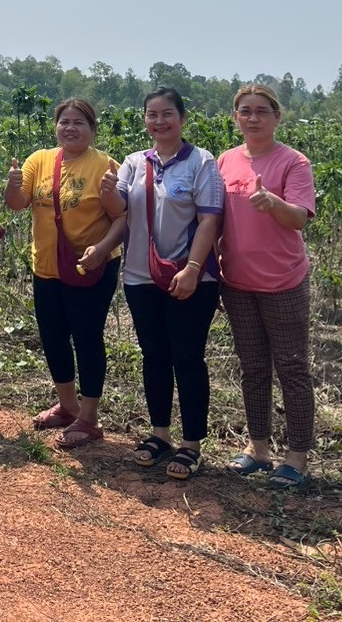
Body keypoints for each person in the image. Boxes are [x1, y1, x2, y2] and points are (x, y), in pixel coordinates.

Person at [102, 87, 224, 480]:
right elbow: (119, 212)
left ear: (182, 118)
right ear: (145, 120)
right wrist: (107, 194)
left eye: (167, 114)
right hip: (141, 276)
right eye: (152, 115)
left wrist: (192, 268)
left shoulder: (201, 162)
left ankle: (192, 445)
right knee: (154, 356)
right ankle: (159, 434)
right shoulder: (135, 163)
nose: (159, 121)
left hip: (191, 277)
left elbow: (210, 220)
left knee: (187, 358)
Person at [3, 98, 126, 449]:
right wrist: (13, 184)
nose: (70, 128)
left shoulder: (104, 164)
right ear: (55, 126)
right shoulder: (38, 160)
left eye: (79, 123)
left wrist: (101, 249)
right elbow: (18, 203)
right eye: (64, 122)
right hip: (47, 266)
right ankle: (68, 406)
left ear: (92, 129)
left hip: (93, 264)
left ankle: (89, 418)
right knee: (53, 336)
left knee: (87, 338)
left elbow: (122, 217)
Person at [216, 84, 318, 490]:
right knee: (253, 367)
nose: (253, 117)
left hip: (283, 281)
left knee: (292, 367)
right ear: (236, 116)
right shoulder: (224, 161)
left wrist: (273, 203)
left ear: (277, 117)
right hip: (237, 282)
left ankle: (297, 457)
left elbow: (300, 218)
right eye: (245, 111)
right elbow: (216, 220)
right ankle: (258, 449)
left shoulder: (293, 162)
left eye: (261, 111)